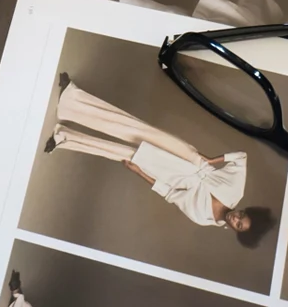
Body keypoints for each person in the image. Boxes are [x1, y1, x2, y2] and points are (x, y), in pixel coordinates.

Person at [44, 75, 272, 243]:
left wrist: (139, 172)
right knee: (132, 128)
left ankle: (63, 138)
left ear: (236, 231)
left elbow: (171, 194)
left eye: (238, 225)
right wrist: (212, 160)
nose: (236, 218)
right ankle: (72, 99)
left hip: (168, 174)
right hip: (188, 157)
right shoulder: (235, 191)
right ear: (245, 210)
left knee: (117, 152)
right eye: (242, 215)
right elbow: (241, 158)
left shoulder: (204, 218)